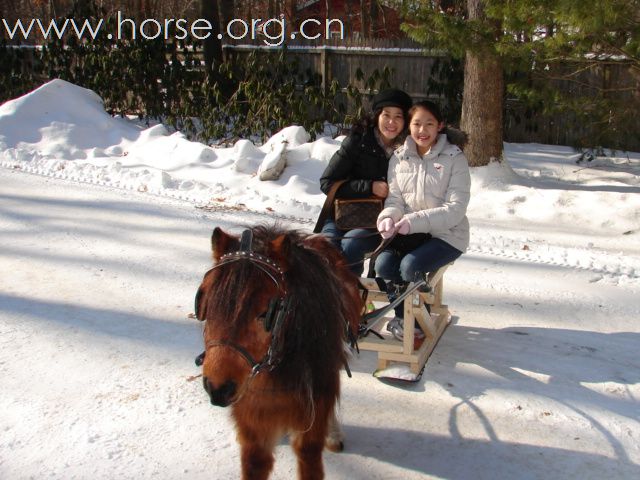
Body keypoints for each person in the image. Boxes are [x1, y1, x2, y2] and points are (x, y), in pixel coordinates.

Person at [375, 100, 470, 340]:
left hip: (447, 235)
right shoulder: (399, 157)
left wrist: (413, 221)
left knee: (410, 266)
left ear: (440, 126)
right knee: (383, 265)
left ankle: (417, 324)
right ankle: (403, 316)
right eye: (417, 124)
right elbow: (395, 199)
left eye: (429, 124)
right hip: (410, 234)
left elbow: (455, 209)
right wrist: (388, 218)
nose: (422, 130)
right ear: (410, 126)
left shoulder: (454, 158)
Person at [315, 88, 413, 275]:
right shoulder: (358, 141)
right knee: (324, 250)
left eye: (398, 116)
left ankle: (354, 295)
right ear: (377, 116)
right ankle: (330, 300)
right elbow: (327, 182)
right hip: (341, 214)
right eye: (386, 115)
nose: (391, 122)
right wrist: (368, 187)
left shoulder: (409, 149)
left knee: (352, 243)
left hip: (378, 221)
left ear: (405, 121)